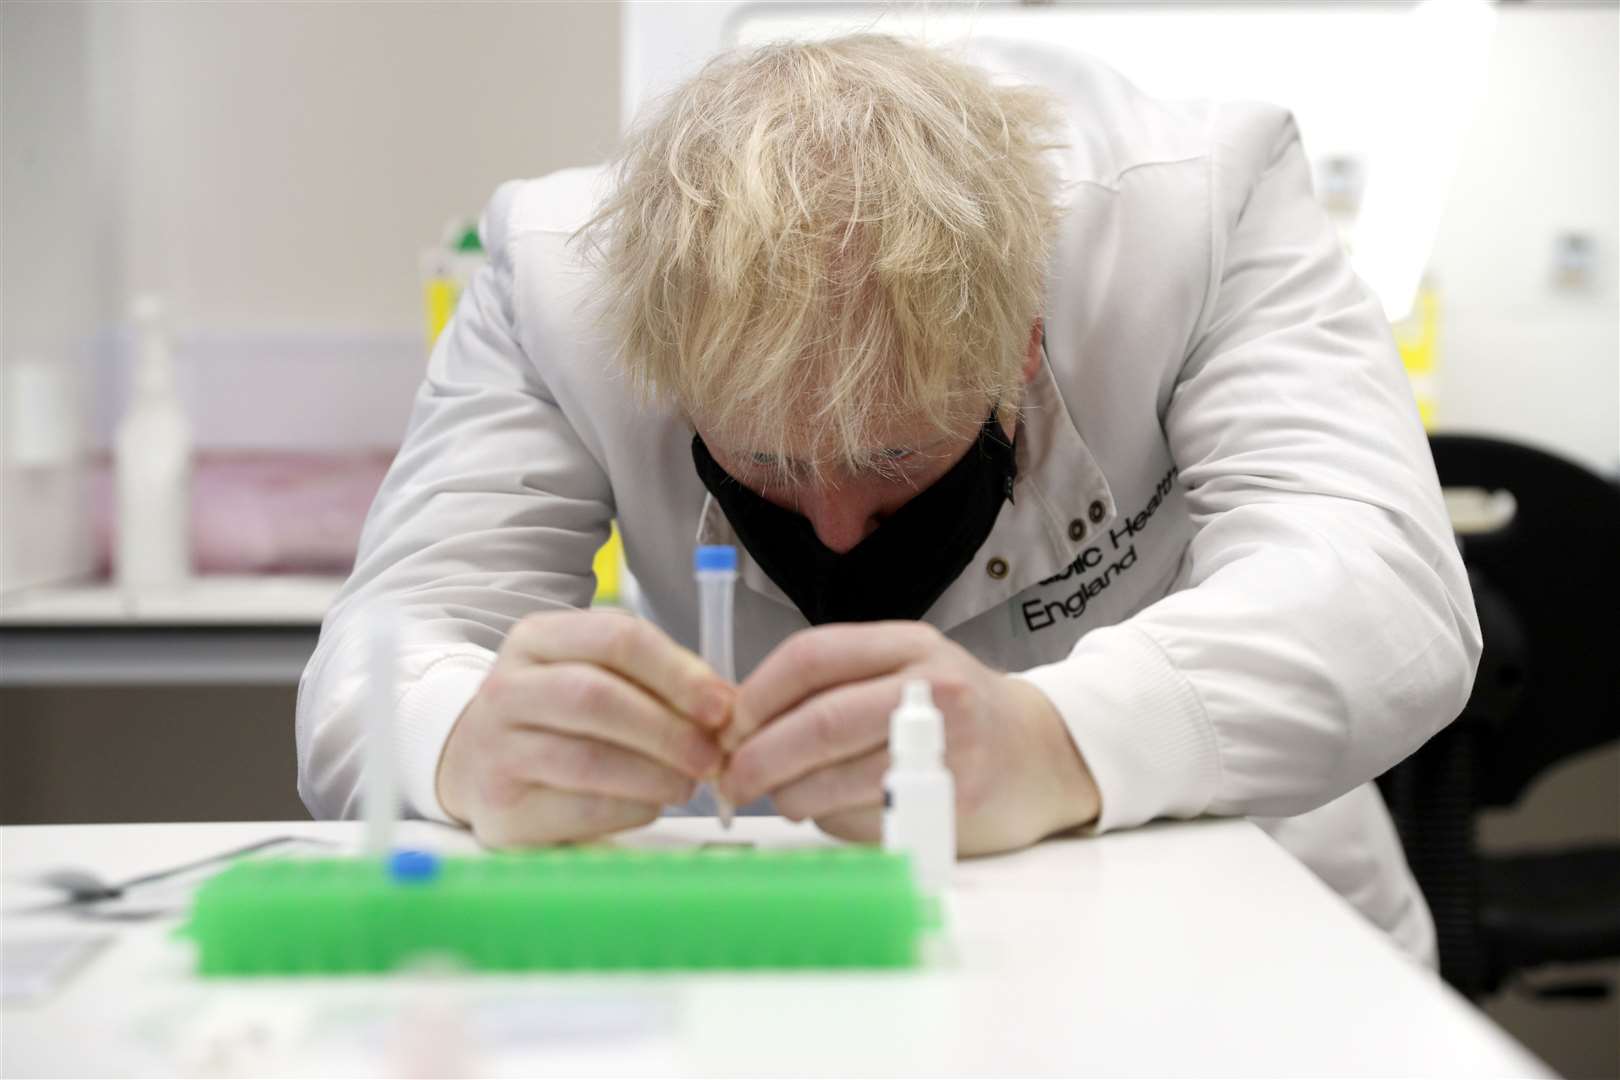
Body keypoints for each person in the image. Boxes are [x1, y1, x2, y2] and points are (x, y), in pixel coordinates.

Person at [297, 34, 1480, 963]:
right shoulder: (562, 278)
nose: (836, 534)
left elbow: (1386, 593)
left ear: (1023, 341)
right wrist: (462, 737)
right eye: (765, 464)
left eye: (897, 455)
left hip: (1235, 927)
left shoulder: (1193, 210)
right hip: (785, 927)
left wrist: (1056, 742)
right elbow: (382, 654)